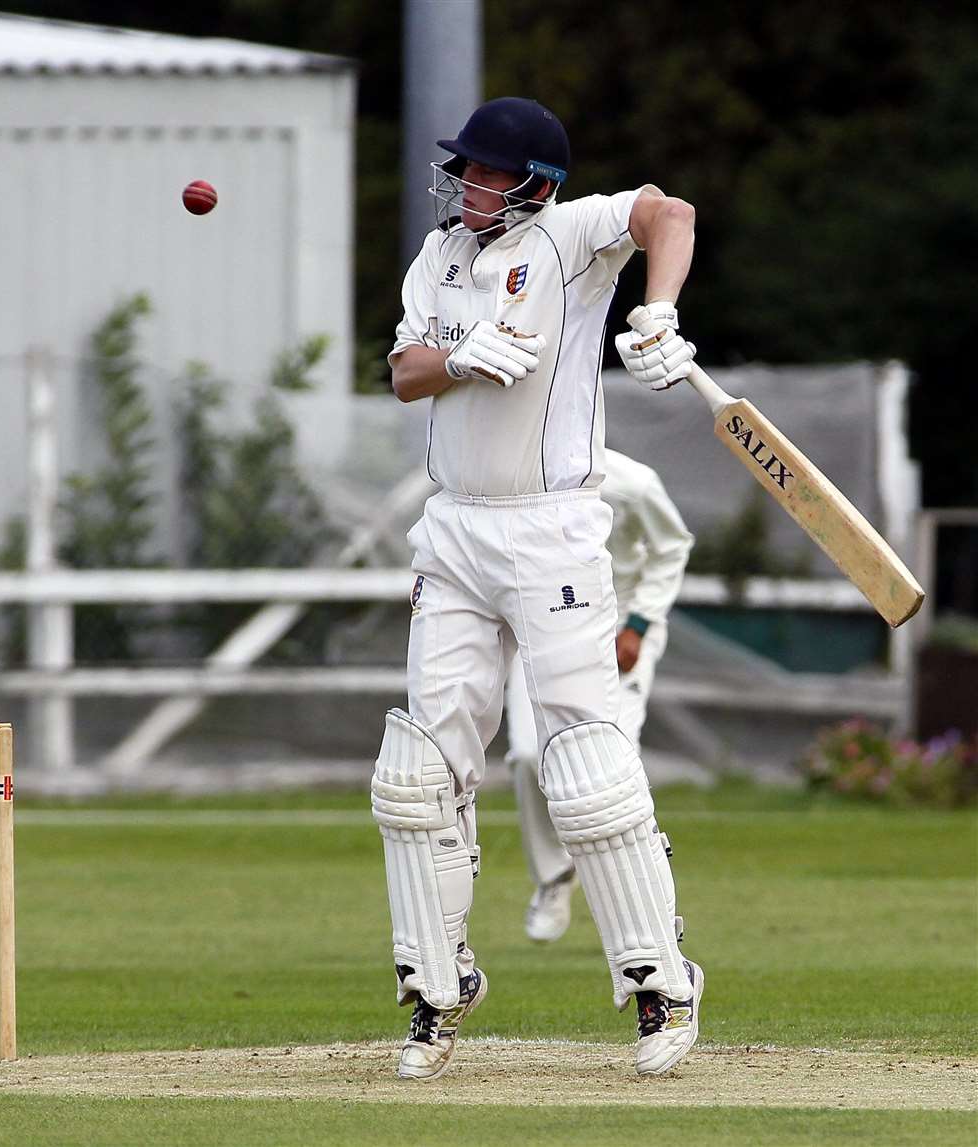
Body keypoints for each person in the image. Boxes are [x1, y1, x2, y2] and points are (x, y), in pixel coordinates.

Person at [370, 96, 704, 1083]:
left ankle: (661, 980)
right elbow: (403, 373)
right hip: (456, 528)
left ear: (533, 183)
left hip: (552, 528)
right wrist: (458, 360)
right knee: (420, 770)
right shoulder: (438, 259)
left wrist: (656, 309)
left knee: (585, 763)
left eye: (486, 172)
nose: (467, 185)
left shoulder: (568, 235)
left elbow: (669, 214)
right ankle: (437, 987)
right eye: (463, 170)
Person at [505, 447, 693, 943]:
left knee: (613, 767)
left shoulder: (633, 480)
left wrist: (638, 624)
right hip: (544, 629)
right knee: (528, 756)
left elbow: (673, 546)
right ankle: (554, 877)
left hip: (617, 633)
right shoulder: (516, 474)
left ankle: (653, 908)